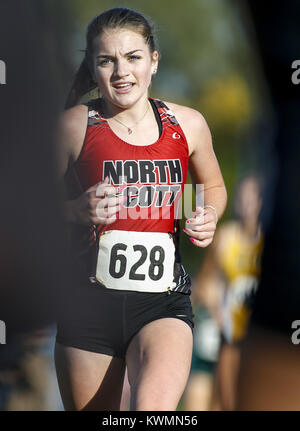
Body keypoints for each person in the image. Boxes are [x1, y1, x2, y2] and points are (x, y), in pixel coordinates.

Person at [54, 7, 227, 411]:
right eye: (106, 60)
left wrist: (209, 214)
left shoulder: (188, 124)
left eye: (132, 57)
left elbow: (213, 187)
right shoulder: (73, 126)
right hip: (88, 306)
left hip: (162, 303)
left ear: (154, 60)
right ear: (93, 68)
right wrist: (74, 210)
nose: (121, 72)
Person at [191, 176, 263, 410]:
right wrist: (214, 308)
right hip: (215, 331)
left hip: (247, 339)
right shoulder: (225, 236)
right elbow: (204, 282)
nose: (246, 205)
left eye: (251, 199)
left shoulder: (267, 242)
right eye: (242, 198)